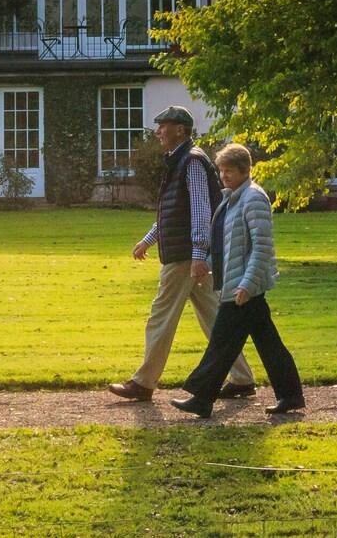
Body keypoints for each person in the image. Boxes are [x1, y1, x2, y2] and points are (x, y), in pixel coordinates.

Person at [106, 106, 255, 402]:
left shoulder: (192, 162)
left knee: (160, 316)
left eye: (165, 125)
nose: (159, 131)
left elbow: (200, 211)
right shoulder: (181, 161)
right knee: (215, 319)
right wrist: (149, 239)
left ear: (180, 130)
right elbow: (176, 211)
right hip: (190, 253)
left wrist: (199, 254)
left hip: (186, 255)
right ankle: (242, 378)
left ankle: (144, 382)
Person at [172, 143, 305, 419]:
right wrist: (208, 265)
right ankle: (291, 394)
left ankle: (202, 397)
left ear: (245, 170)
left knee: (221, 342)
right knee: (268, 343)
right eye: (221, 171)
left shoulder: (253, 199)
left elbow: (262, 247)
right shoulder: (233, 198)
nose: (224, 176)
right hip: (239, 284)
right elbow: (227, 245)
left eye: (229, 171)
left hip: (242, 288)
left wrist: (247, 283)